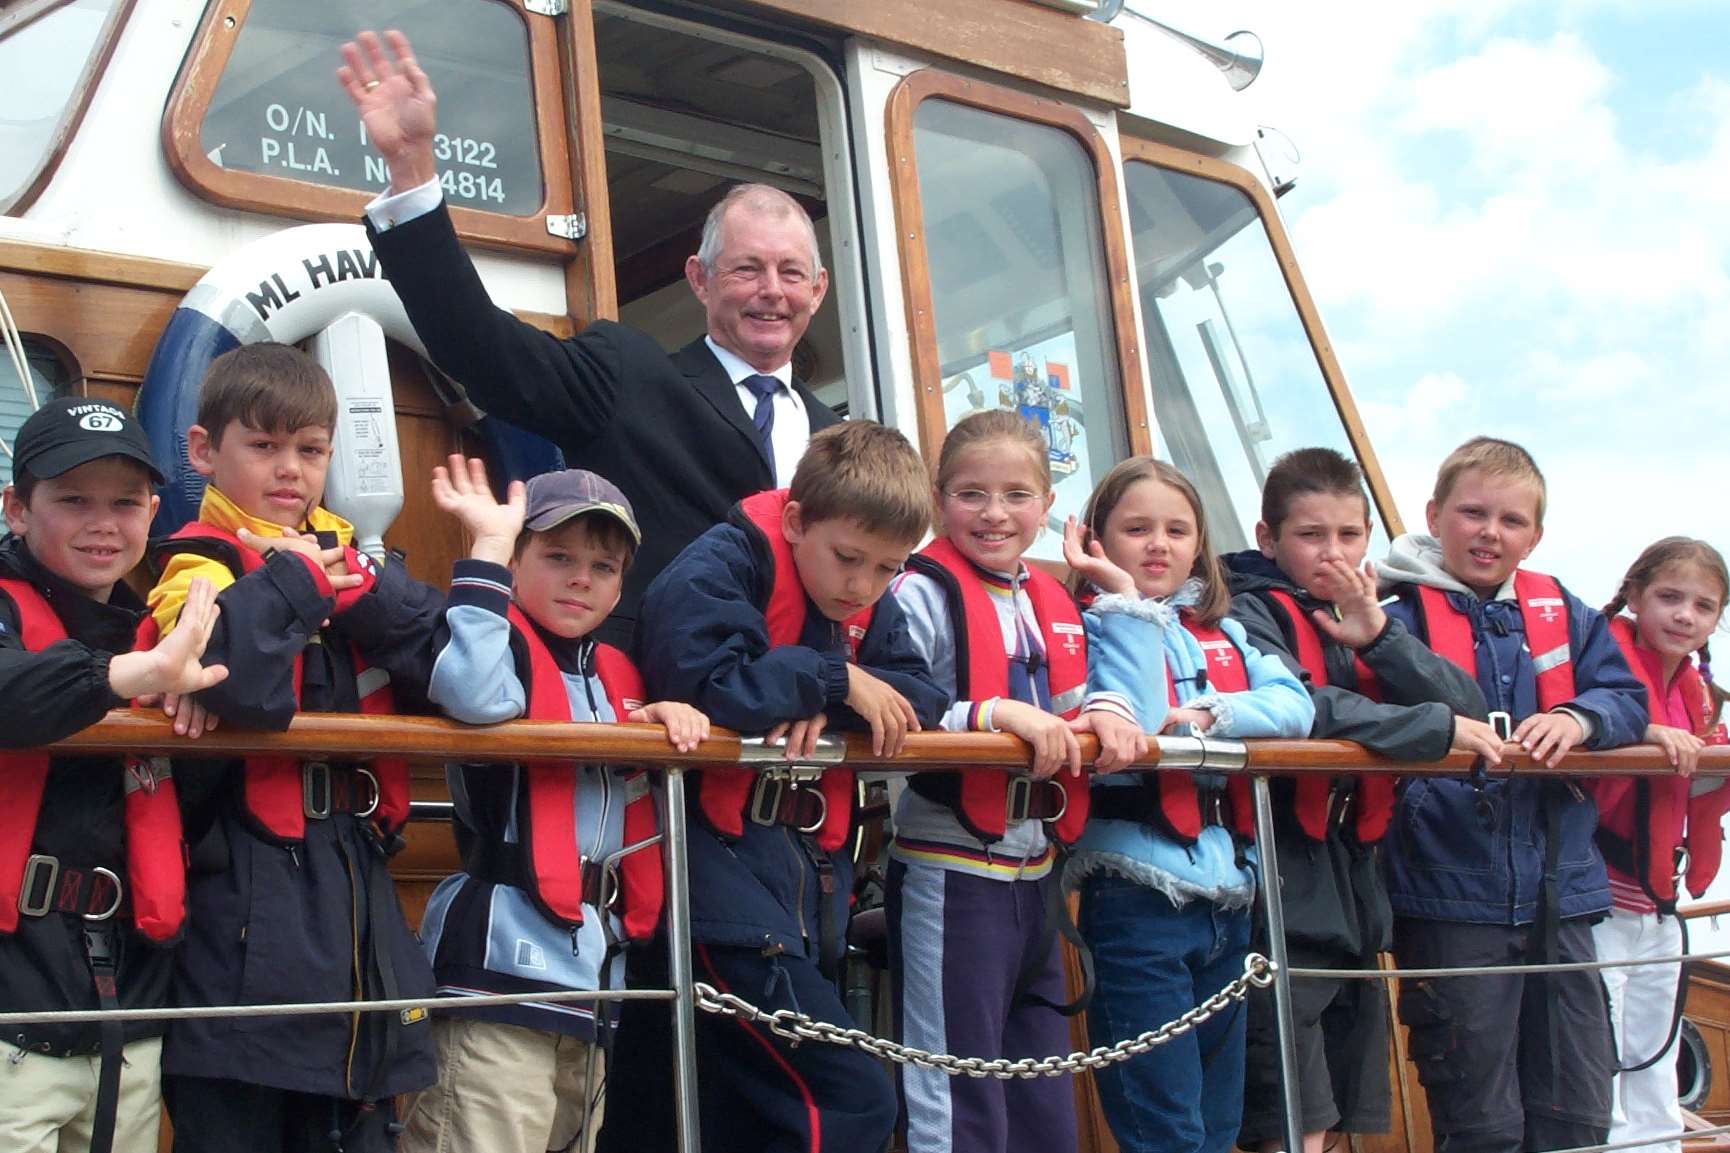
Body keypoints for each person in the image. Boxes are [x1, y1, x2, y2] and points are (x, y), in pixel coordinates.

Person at [339, 29, 840, 646]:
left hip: (807, 716)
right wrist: (412, 169)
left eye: (791, 273)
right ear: (700, 280)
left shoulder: (843, 441)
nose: (772, 290)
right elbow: (480, 346)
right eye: (746, 268)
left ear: (817, 291)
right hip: (657, 714)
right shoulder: (626, 373)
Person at [601, 421, 947, 1153]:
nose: (863, 587)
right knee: (849, 1096)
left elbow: (923, 693)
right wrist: (834, 677)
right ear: (794, 520)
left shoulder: (861, 590)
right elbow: (709, 684)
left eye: (887, 570)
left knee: (707, 1115)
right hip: (708, 871)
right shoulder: (717, 568)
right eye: (849, 559)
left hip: (801, 879)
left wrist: (834, 693)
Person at [147, 343, 444, 1153]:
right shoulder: (192, 563)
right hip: (245, 905)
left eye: (310, 450)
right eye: (265, 445)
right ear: (206, 451)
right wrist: (303, 583)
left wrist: (364, 589)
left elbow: (467, 673)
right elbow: (222, 673)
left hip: (353, 898)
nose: (291, 470)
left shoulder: (355, 564)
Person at [403, 456, 708, 1153]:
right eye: (558, 556)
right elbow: (474, 694)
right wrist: (483, 548)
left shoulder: (622, 677)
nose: (580, 577)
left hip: (594, 981)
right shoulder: (497, 643)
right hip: (498, 979)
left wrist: (663, 717)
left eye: (603, 567)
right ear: (516, 562)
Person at [1221, 447, 1504, 1153]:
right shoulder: (1244, 613)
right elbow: (1302, 707)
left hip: (1356, 884)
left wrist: (1379, 635)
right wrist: (1429, 729)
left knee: (1344, 1110)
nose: (1334, 553)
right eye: (1312, 536)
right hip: (1281, 883)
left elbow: (1471, 707)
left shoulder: (1369, 616)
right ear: (1268, 539)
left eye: (1349, 536)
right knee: (1292, 1116)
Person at [1376, 436, 1648, 1153]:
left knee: (1579, 1117)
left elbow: (1626, 695)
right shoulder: (1391, 619)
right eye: (1472, 513)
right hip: (1448, 897)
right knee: (1481, 1124)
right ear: (1435, 515)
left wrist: (1578, 716)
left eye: (1511, 520)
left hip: (1563, 896)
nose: (1490, 533)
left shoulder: (1566, 612)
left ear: (1536, 534)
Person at [887, 410, 1148, 1153]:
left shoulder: (1053, 597)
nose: (994, 513)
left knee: (1043, 1096)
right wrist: (997, 713)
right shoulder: (918, 591)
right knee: (956, 1089)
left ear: (1047, 501)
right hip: (952, 870)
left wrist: (1106, 707)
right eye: (971, 493)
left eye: (1016, 494)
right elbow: (899, 710)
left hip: (1038, 872)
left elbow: (1085, 700)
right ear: (939, 499)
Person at [1060, 457, 1315, 1153]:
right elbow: (1137, 716)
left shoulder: (1226, 631)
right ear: (1097, 539)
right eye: (1136, 528)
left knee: (1219, 1124)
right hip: (1137, 900)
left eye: (1177, 529)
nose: (1158, 545)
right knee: (1163, 1126)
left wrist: (1208, 712)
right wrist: (1125, 604)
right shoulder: (1083, 626)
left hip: (1227, 900)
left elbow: (1296, 706)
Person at [0, 397, 227, 1153]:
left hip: (127, 1011)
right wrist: (140, 672)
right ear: (17, 509)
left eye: (125, 502)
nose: (104, 521)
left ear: (153, 511)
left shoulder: (162, 628)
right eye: (73, 499)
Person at [1588, 538, 1730, 1153]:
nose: (1684, 616)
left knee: (1655, 1055)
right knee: (1604, 1049)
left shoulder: (1697, 690)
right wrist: (1643, 733)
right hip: (1599, 900)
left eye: (1703, 606)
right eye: (1670, 598)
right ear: (1636, 595)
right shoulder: (1605, 668)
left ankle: (1659, 1147)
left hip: (1658, 903)